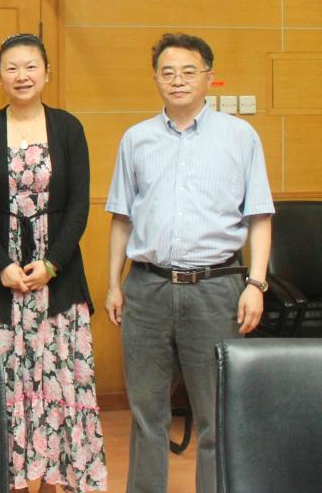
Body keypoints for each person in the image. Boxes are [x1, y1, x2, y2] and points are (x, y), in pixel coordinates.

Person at [105, 33, 274, 493]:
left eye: (188, 71)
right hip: (147, 288)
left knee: (216, 415)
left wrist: (256, 284)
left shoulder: (240, 136)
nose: (177, 80)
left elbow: (259, 216)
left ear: (209, 77)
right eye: (167, 72)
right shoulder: (136, 139)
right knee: (146, 414)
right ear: (156, 78)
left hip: (216, 289)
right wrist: (114, 284)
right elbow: (121, 218)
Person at [0, 33, 107, 492]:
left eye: (30, 67)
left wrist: (52, 263)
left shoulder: (69, 128)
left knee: (60, 379)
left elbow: (80, 204)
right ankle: (6, 479)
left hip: (57, 277)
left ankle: (55, 478)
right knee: (0, 381)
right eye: (11, 67)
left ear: (46, 73)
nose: (21, 76)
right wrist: (1, 263)